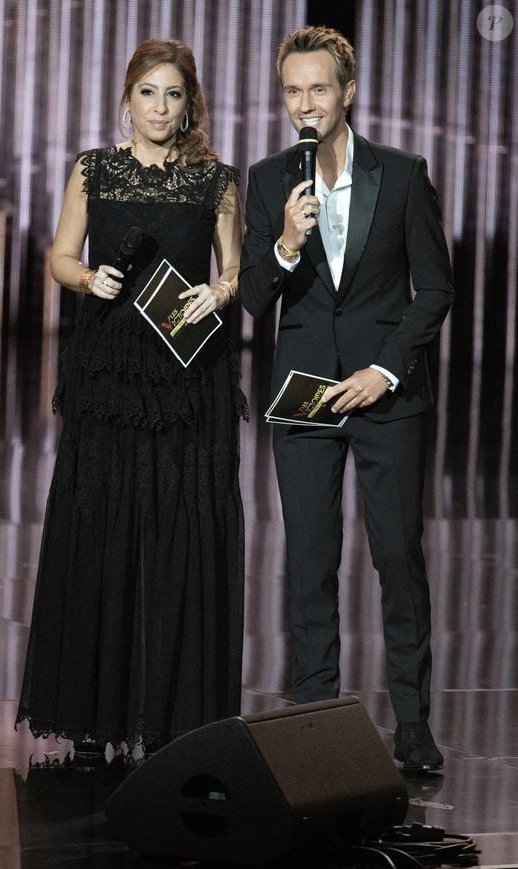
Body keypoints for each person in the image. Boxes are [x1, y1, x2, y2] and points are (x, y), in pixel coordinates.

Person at [16, 39, 247, 757]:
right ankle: (92, 717)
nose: (159, 107)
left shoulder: (216, 180)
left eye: (173, 94)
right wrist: (88, 279)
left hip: (185, 373)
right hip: (110, 372)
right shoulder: (94, 168)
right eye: (148, 92)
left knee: (178, 533)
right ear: (128, 96)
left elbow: (235, 268)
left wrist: (220, 289)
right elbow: (58, 255)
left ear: (191, 104)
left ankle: (169, 716)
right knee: (102, 527)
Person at [239, 25, 453, 771]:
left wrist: (385, 370)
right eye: (293, 90)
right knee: (309, 563)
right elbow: (255, 302)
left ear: (347, 92)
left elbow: (437, 290)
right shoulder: (268, 182)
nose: (307, 103)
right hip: (302, 400)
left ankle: (415, 724)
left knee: (398, 557)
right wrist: (286, 243)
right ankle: (317, 727)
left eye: (319, 88)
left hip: (385, 396)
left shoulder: (401, 173)